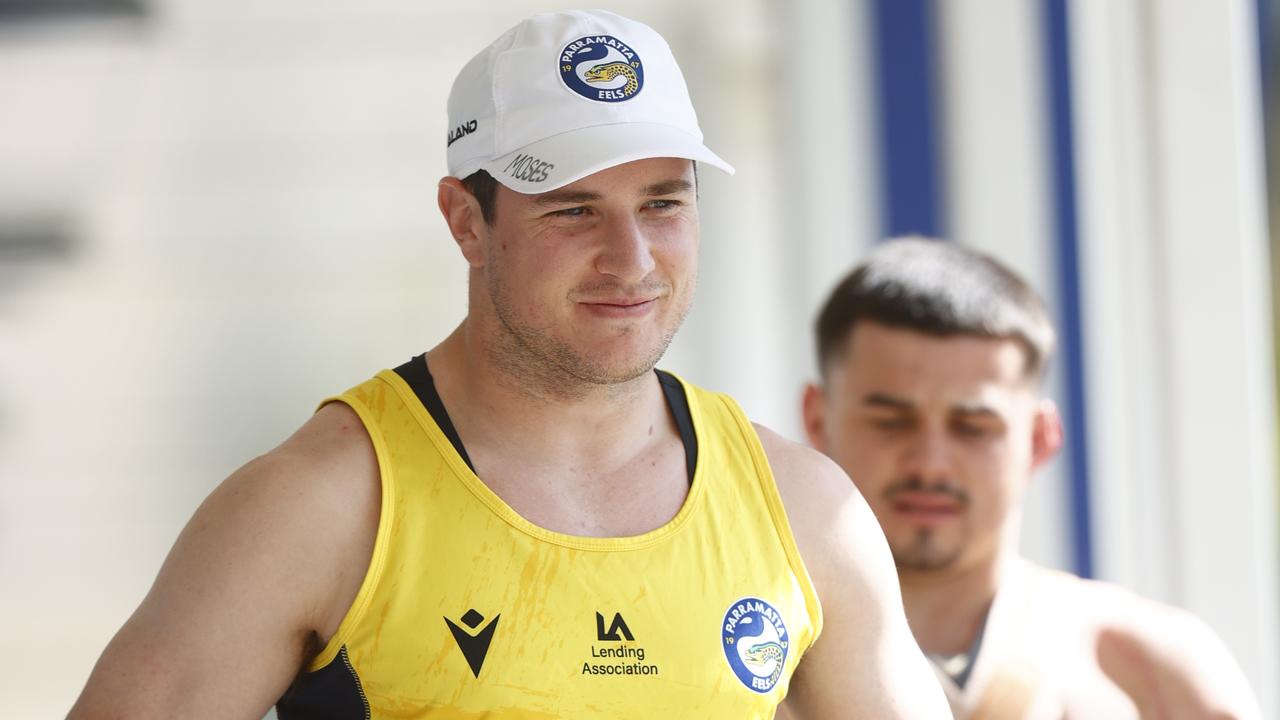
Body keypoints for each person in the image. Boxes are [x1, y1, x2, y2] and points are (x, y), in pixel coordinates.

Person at [69, 11, 949, 719]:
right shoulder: (321, 505)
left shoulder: (804, 510)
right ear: (465, 220)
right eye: (573, 211)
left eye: (663, 202)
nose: (633, 257)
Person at [800, 237, 1261, 719]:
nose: (930, 463)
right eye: (891, 421)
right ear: (817, 419)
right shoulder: (755, 661)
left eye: (974, 427)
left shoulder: (1152, 670)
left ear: (1039, 438)